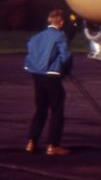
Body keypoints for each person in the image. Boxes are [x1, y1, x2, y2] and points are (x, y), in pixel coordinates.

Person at [25, 9, 73, 156]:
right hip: (52, 76)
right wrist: (66, 70)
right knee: (57, 109)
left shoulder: (36, 37)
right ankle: (53, 145)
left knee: (40, 109)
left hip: (36, 75)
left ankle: (32, 141)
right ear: (61, 22)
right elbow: (65, 56)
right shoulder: (60, 36)